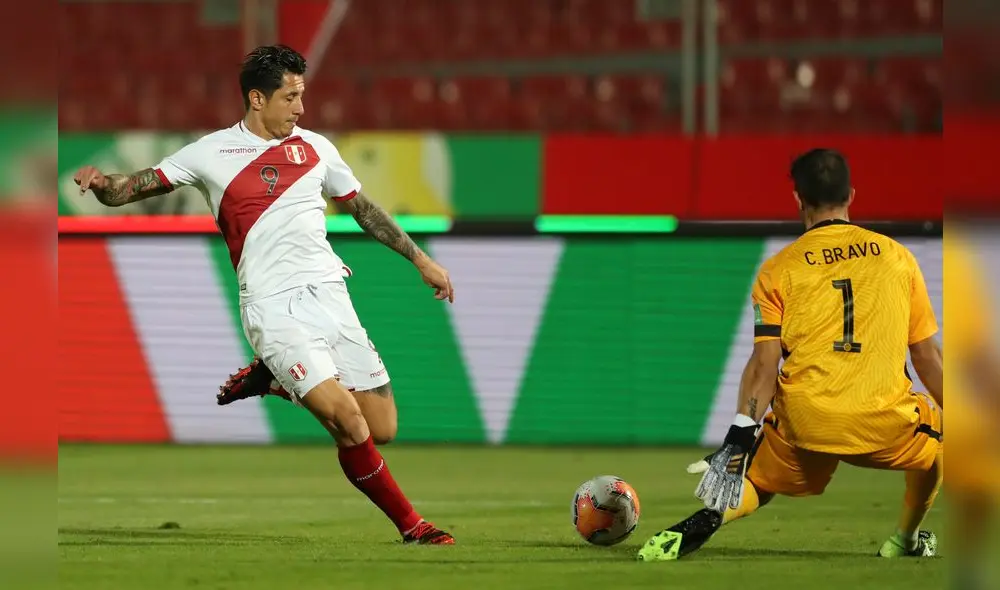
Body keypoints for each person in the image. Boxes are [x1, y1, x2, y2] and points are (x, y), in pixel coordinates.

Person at [73, 44, 456, 545]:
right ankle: (413, 526)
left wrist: (421, 259)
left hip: (331, 297)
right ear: (257, 98)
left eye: (302, 95)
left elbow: (361, 208)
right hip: (273, 307)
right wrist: (102, 184)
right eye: (290, 96)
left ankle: (274, 380)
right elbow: (135, 186)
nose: (300, 107)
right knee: (347, 420)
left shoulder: (317, 148)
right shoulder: (210, 152)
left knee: (382, 428)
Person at [638, 149, 943, 561]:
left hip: (807, 422)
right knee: (938, 446)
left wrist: (739, 435)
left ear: (798, 200)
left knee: (760, 482)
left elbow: (764, 366)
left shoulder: (778, 270)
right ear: (851, 194)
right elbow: (926, 358)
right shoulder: (898, 258)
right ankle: (905, 540)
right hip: (882, 421)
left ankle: (705, 521)